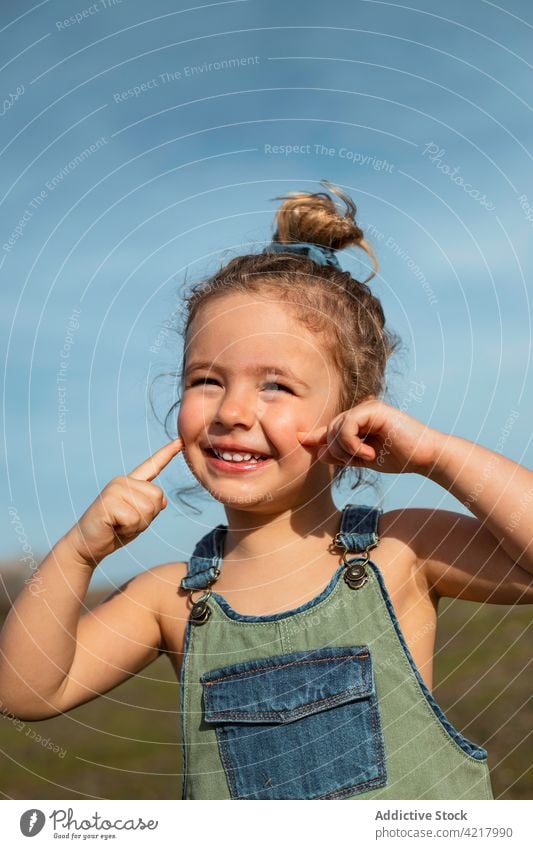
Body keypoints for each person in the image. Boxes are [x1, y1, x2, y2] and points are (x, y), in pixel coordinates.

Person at [0, 181, 532, 801]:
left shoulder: (400, 554)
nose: (231, 411)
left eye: (275, 385)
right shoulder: (169, 601)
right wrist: (78, 554)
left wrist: (436, 456)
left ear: (356, 412)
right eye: (206, 379)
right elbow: (25, 691)